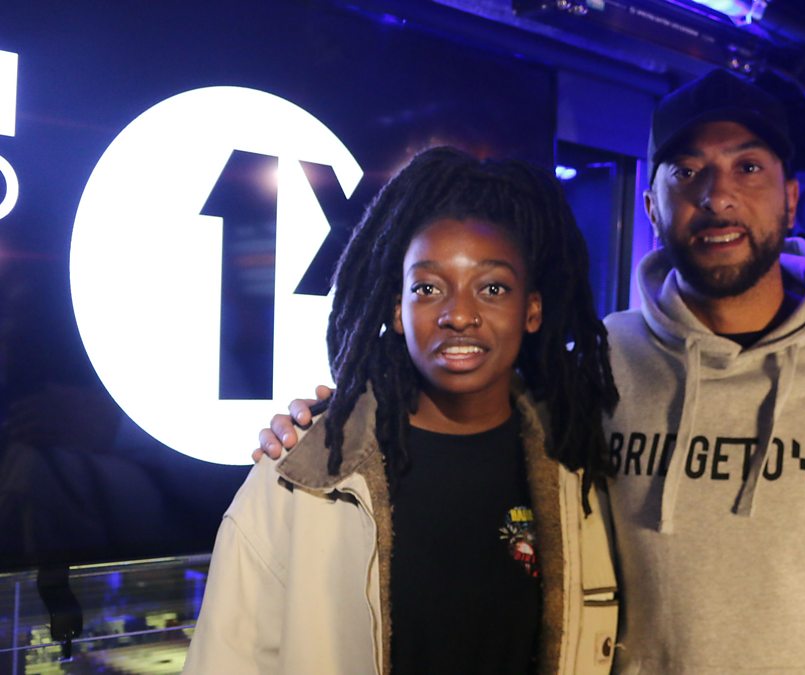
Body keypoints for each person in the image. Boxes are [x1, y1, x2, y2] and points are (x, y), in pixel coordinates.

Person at [260, 72, 805, 672]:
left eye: (747, 167)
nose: (716, 195)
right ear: (654, 207)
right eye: (686, 172)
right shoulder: (599, 365)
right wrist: (332, 426)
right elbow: (466, 422)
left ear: (792, 199)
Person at [187, 147, 622, 674]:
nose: (458, 314)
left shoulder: (579, 469)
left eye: (492, 288)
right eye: (428, 288)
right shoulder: (302, 473)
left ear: (531, 309)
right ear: (397, 310)